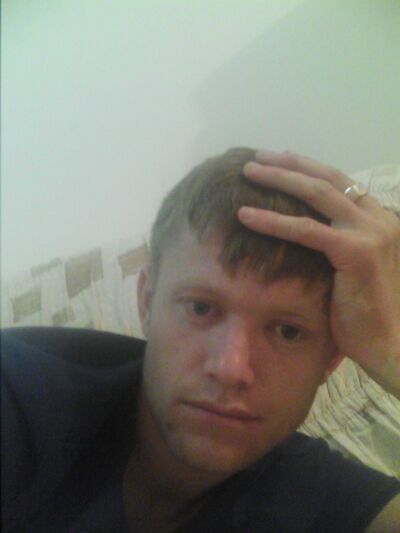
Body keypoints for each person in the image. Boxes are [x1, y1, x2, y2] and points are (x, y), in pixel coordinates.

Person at [2, 147, 400, 532]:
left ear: (332, 359)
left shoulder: (311, 492)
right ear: (146, 302)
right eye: (200, 308)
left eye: (288, 331)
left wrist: (393, 352)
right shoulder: (22, 395)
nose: (231, 370)